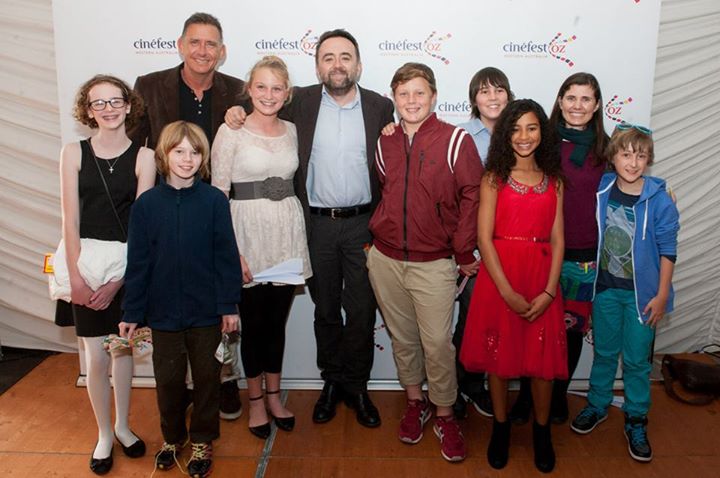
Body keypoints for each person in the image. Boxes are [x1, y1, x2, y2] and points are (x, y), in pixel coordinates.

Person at [225, 29, 395, 428]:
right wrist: (232, 112)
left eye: (345, 56)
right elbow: (256, 104)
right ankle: (332, 383)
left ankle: (357, 387)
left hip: (363, 226)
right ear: (317, 65)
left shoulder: (380, 107)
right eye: (328, 57)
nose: (337, 64)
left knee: (361, 310)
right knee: (325, 310)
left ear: (359, 64)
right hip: (315, 226)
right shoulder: (298, 101)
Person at [129, 11, 246, 420]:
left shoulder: (239, 92)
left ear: (222, 51)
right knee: (175, 301)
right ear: (180, 45)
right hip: (169, 205)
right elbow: (136, 149)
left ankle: (224, 379)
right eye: (194, 42)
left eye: (211, 43)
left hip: (220, 203)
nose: (202, 50)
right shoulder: (149, 87)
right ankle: (179, 398)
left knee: (222, 294)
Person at [367, 62, 482, 462]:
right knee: (404, 338)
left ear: (433, 96)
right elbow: (383, 190)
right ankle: (415, 402)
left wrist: (464, 251)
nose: (411, 101)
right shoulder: (385, 141)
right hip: (385, 259)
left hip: (435, 262)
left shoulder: (455, 140)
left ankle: (445, 413)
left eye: (419, 93)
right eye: (403, 94)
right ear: (394, 99)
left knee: (436, 342)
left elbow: (473, 196)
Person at [120, 121, 242, 478]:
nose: (187, 159)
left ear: (203, 158)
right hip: (163, 315)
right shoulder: (146, 206)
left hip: (206, 313)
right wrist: (132, 311)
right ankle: (173, 438)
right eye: (179, 151)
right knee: (169, 382)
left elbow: (226, 256)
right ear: (165, 154)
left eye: (195, 152)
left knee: (207, 380)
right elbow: (138, 264)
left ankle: (203, 439)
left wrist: (227, 306)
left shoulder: (214, 201)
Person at [460, 99, 567, 473]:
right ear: (505, 133)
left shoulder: (554, 182)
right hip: (500, 280)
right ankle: (500, 429)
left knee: (541, 366)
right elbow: (484, 238)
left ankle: (541, 433)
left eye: (532, 127)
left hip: (541, 281)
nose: (524, 136)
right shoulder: (494, 177)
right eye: (516, 128)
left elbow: (558, 241)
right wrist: (505, 290)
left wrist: (550, 292)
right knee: (499, 361)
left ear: (543, 132)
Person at [59, 74, 155, 474]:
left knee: (122, 351)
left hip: (126, 271)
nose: (109, 109)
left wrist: (121, 280)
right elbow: (70, 219)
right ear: (88, 111)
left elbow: (145, 225)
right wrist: (78, 279)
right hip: (85, 269)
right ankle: (103, 433)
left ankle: (123, 426)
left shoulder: (146, 157)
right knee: (95, 358)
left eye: (115, 101)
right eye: (99, 103)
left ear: (129, 105)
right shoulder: (73, 153)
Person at [211, 56, 312, 440]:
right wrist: (230, 252)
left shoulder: (292, 129)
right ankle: (254, 401)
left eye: (277, 88)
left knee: (276, 324)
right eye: (261, 87)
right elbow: (219, 195)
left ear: (286, 94)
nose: (269, 95)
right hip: (245, 236)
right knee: (253, 327)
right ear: (249, 89)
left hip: (285, 234)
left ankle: (273, 396)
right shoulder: (230, 130)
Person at [570, 124, 679, 463]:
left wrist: (661, 295)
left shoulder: (659, 199)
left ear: (649, 160)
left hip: (642, 297)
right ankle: (598, 404)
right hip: (605, 291)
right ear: (612, 157)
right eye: (625, 154)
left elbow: (668, 250)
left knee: (635, 360)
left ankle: (635, 417)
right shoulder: (601, 190)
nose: (633, 163)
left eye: (641, 156)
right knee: (604, 353)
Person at [509, 72, 609, 425]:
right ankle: (525, 395)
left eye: (586, 99)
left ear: (596, 105)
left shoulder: (606, 149)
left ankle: (558, 395)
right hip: (538, 251)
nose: (577, 106)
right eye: (571, 98)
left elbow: (634, 175)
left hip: (582, 256)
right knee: (531, 326)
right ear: (560, 101)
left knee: (569, 330)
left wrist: (660, 190)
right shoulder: (540, 140)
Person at [453, 67, 514, 420]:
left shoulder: (522, 133)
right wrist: (463, 249)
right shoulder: (462, 137)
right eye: (484, 91)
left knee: (504, 322)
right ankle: (466, 386)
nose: (492, 97)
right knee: (470, 321)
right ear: (474, 99)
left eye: (499, 89)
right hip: (474, 249)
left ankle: (497, 387)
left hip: (514, 246)